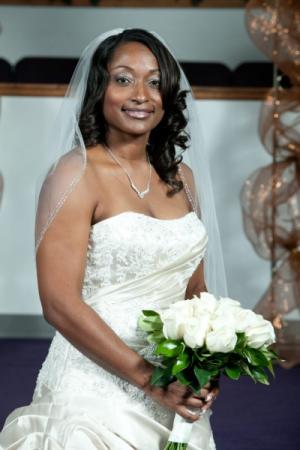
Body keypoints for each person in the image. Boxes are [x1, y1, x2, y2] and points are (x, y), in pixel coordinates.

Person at [0, 28, 227, 449]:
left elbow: (194, 289)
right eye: (123, 79)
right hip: (92, 390)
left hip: (173, 392)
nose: (141, 94)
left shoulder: (183, 180)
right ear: (99, 89)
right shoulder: (74, 174)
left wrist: (207, 358)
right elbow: (59, 304)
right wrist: (151, 381)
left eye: (154, 81)